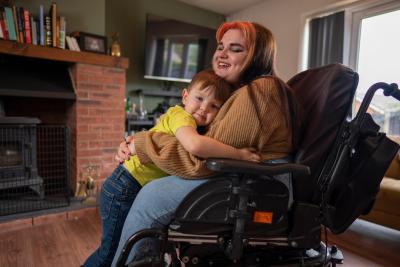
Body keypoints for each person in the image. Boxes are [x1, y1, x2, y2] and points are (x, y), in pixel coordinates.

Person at [111, 21, 300, 266]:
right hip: (242, 175)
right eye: (220, 46)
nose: (222, 53)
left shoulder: (261, 92)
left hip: (255, 185)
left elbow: (202, 160)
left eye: (235, 49)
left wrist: (144, 145)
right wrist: (138, 142)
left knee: (152, 196)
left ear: (257, 56)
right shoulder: (243, 92)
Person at [83, 69, 261, 267]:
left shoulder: (193, 123)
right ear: (185, 96)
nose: (204, 108)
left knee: (116, 250)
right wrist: (239, 154)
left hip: (128, 185)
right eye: (199, 98)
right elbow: (195, 145)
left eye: (214, 106)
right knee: (109, 253)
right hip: (124, 187)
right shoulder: (182, 116)